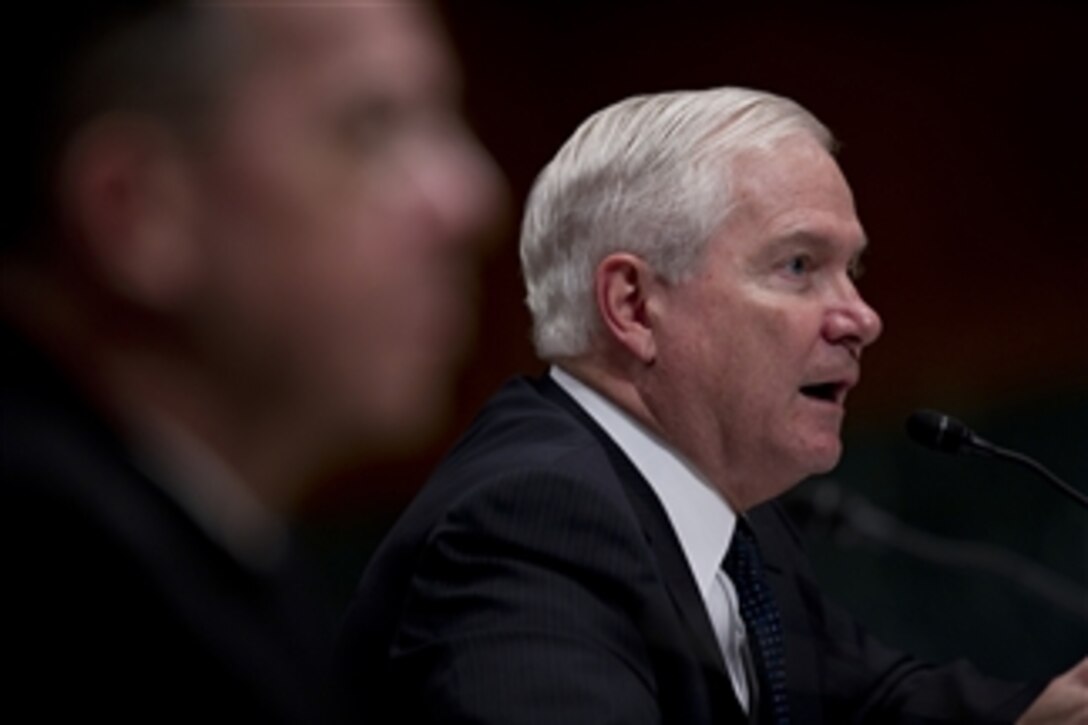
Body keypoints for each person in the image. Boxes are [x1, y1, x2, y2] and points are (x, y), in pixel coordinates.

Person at [337, 87, 1088, 723]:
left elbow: (868, 699)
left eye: (851, 268)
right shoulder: (531, 520)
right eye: (799, 265)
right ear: (633, 305)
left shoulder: (726, 512)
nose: (862, 316)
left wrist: (1051, 709)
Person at [2, 1, 501, 722]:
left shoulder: (212, 562)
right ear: (136, 210)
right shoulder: (71, 593)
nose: (470, 200)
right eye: (374, 125)